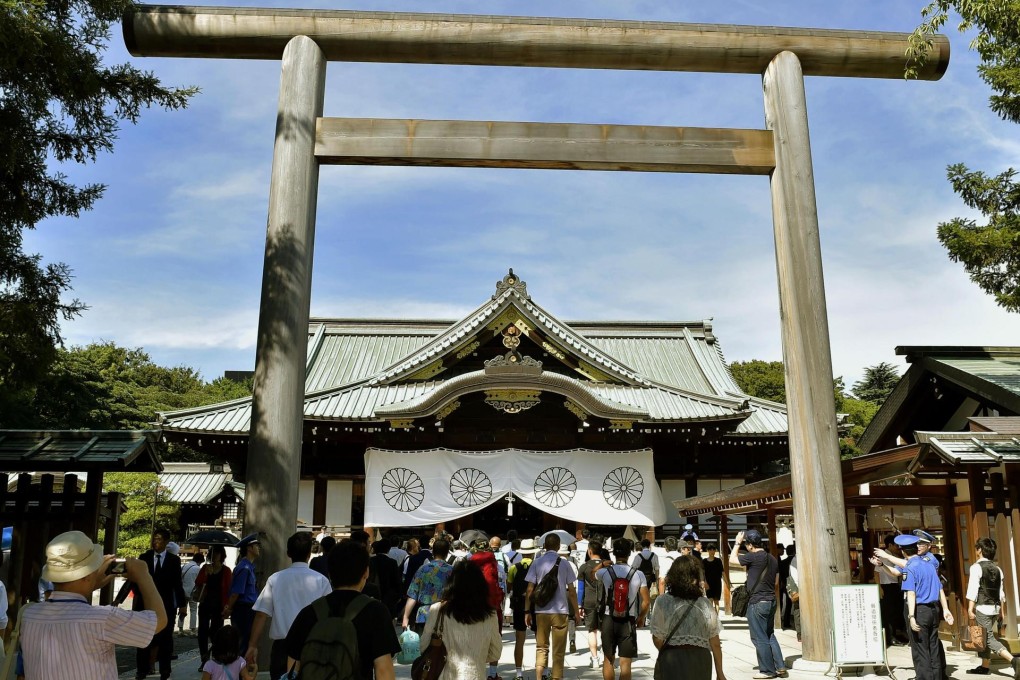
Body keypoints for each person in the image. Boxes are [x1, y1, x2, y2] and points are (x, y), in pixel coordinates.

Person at [20, 530, 166, 680]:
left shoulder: (29, 614)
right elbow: (159, 620)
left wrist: (90, 583)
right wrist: (144, 576)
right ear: (88, 574)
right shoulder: (103, 618)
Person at [285, 539, 400, 679]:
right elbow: (383, 671)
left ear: (330, 574)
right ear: (366, 572)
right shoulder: (376, 612)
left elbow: (292, 668)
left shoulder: (309, 612)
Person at [245, 531, 333, 679]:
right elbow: (329, 617)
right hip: (312, 647)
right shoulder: (321, 581)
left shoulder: (275, 579)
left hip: (282, 648)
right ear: (309, 554)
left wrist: (252, 645)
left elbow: (261, 614)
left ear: (288, 553)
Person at [873, 534, 955, 680]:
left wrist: (911, 616)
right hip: (931, 610)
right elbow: (896, 571)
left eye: (923, 543)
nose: (920, 546)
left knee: (920, 647)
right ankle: (936, 676)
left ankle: (925, 677)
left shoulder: (926, 561)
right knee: (932, 644)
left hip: (919, 609)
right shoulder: (927, 565)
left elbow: (911, 593)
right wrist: (882, 565)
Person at [119, 527, 186, 680]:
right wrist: (120, 598)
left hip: (166, 605)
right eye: (154, 539)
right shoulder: (144, 557)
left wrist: (182, 604)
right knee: (144, 638)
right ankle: (141, 671)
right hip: (145, 604)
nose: (155, 542)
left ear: (166, 542)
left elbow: (177, 584)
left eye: (159, 539)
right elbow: (132, 580)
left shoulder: (173, 560)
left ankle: (165, 671)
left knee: (166, 640)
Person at [420, 560, 503, 680]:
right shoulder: (490, 614)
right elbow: (495, 652)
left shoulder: (438, 609)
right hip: (475, 675)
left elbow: (424, 646)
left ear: (451, 583)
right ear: (481, 585)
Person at [651, 555, 725, 680]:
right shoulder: (704, 603)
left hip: (672, 657)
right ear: (695, 578)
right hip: (700, 658)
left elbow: (657, 638)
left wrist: (669, 650)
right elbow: (715, 642)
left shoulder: (663, 601)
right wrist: (720, 673)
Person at [729, 530, 788, 679]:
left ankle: (767, 670)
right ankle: (780, 666)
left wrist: (737, 542)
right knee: (769, 635)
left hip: (757, 602)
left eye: (746, 544)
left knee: (759, 637)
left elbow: (732, 560)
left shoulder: (753, 557)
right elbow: (776, 582)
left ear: (749, 545)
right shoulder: (772, 559)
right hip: (771, 601)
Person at [525, 534, 581, 680]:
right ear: (558, 546)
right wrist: (576, 611)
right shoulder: (565, 564)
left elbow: (530, 589)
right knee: (558, 650)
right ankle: (557, 677)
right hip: (561, 610)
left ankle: (538, 676)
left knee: (541, 647)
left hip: (541, 610)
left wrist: (527, 611)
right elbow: (572, 591)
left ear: (544, 546)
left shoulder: (537, 562)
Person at [596, 538, 650, 680]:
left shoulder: (605, 572)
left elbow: (592, 574)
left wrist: (602, 564)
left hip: (609, 618)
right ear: (629, 554)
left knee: (608, 659)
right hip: (628, 619)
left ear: (614, 553)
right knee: (626, 663)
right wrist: (641, 618)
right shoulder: (638, 574)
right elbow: (646, 602)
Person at [965, 537, 1018, 676]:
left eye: (977, 548)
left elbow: (973, 590)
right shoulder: (998, 569)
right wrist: (1002, 611)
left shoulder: (976, 567)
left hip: (982, 608)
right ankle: (985, 666)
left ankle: (1014, 661)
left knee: (987, 638)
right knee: (985, 635)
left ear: (980, 550)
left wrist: (970, 609)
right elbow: (1001, 593)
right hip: (995, 608)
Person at [402, 538, 454, 634]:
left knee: (423, 647)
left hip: (424, 615)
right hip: (446, 616)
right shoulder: (453, 571)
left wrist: (406, 617)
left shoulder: (423, 569)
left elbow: (413, 595)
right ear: (447, 553)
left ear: (432, 552)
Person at [194, 544, 233, 669]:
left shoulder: (226, 571)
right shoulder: (205, 567)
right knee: (202, 632)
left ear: (222, 555)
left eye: (217, 553)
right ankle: (204, 659)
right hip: (205, 604)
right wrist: (205, 573)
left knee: (216, 633)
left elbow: (228, 589)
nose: (215, 556)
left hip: (219, 606)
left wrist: (227, 606)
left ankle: (215, 657)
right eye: (213, 553)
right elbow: (198, 583)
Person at [225, 533, 260, 654]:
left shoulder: (248, 567)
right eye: (256, 545)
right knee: (242, 642)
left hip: (248, 609)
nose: (258, 548)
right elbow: (236, 593)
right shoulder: (244, 568)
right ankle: (238, 671)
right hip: (243, 609)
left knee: (245, 640)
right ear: (249, 548)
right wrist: (229, 608)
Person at [508, 538, 538, 680]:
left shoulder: (514, 567)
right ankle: (542, 672)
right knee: (540, 638)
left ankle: (518, 673)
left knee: (520, 638)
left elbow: (509, 586)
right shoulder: (538, 566)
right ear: (533, 553)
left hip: (519, 604)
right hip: (536, 605)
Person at [577, 540, 604, 669]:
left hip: (589, 600)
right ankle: (607, 655)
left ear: (590, 551)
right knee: (605, 630)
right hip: (605, 601)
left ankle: (594, 659)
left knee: (592, 630)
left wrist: (579, 604)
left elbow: (580, 588)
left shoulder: (584, 567)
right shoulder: (608, 566)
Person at [875, 535, 906, 646]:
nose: (898, 547)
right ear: (890, 545)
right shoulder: (883, 556)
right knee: (888, 613)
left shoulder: (893, 555)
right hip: (886, 586)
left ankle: (895, 635)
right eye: (896, 545)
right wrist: (879, 588)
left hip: (894, 585)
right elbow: (876, 572)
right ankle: (890, 638)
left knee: (895, 612)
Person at [370, 538, 404, 617]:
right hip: (388, 596)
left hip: (373, 595)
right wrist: (399, 594)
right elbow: (396, 580)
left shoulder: (371, 560)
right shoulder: (392, 562)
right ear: (388, 549)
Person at [629, 539, 659, 618]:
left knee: (641, 599)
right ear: (649, 546)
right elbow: (657, 569)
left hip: (640, 579)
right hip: (651, 578)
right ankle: (650, 617)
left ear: (641, 546)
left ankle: (642, 617)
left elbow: (633, 568)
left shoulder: (638, 556)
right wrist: (656, 580)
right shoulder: (654, 555)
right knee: (651, 598)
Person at [180, 552, 204, 633]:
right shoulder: (198, 569)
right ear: (199, 561)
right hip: (193, 592)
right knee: (193, 610)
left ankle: (180, 629)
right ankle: (193, 630)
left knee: (182, 609)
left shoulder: (184, 566)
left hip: (183, 591)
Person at [701, 543, 724, 613]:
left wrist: (727, 582)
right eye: (710, 549)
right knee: (710, 601)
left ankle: (716, 618)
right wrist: (704, 582)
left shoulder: (718, 561)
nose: (712, 551)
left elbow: (723, 572)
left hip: (717, 583)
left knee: (716, 601)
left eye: (713, 549)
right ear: (707, 550)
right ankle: (711, 618)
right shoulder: (704, 561)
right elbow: (703, 574)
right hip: (708, 583)